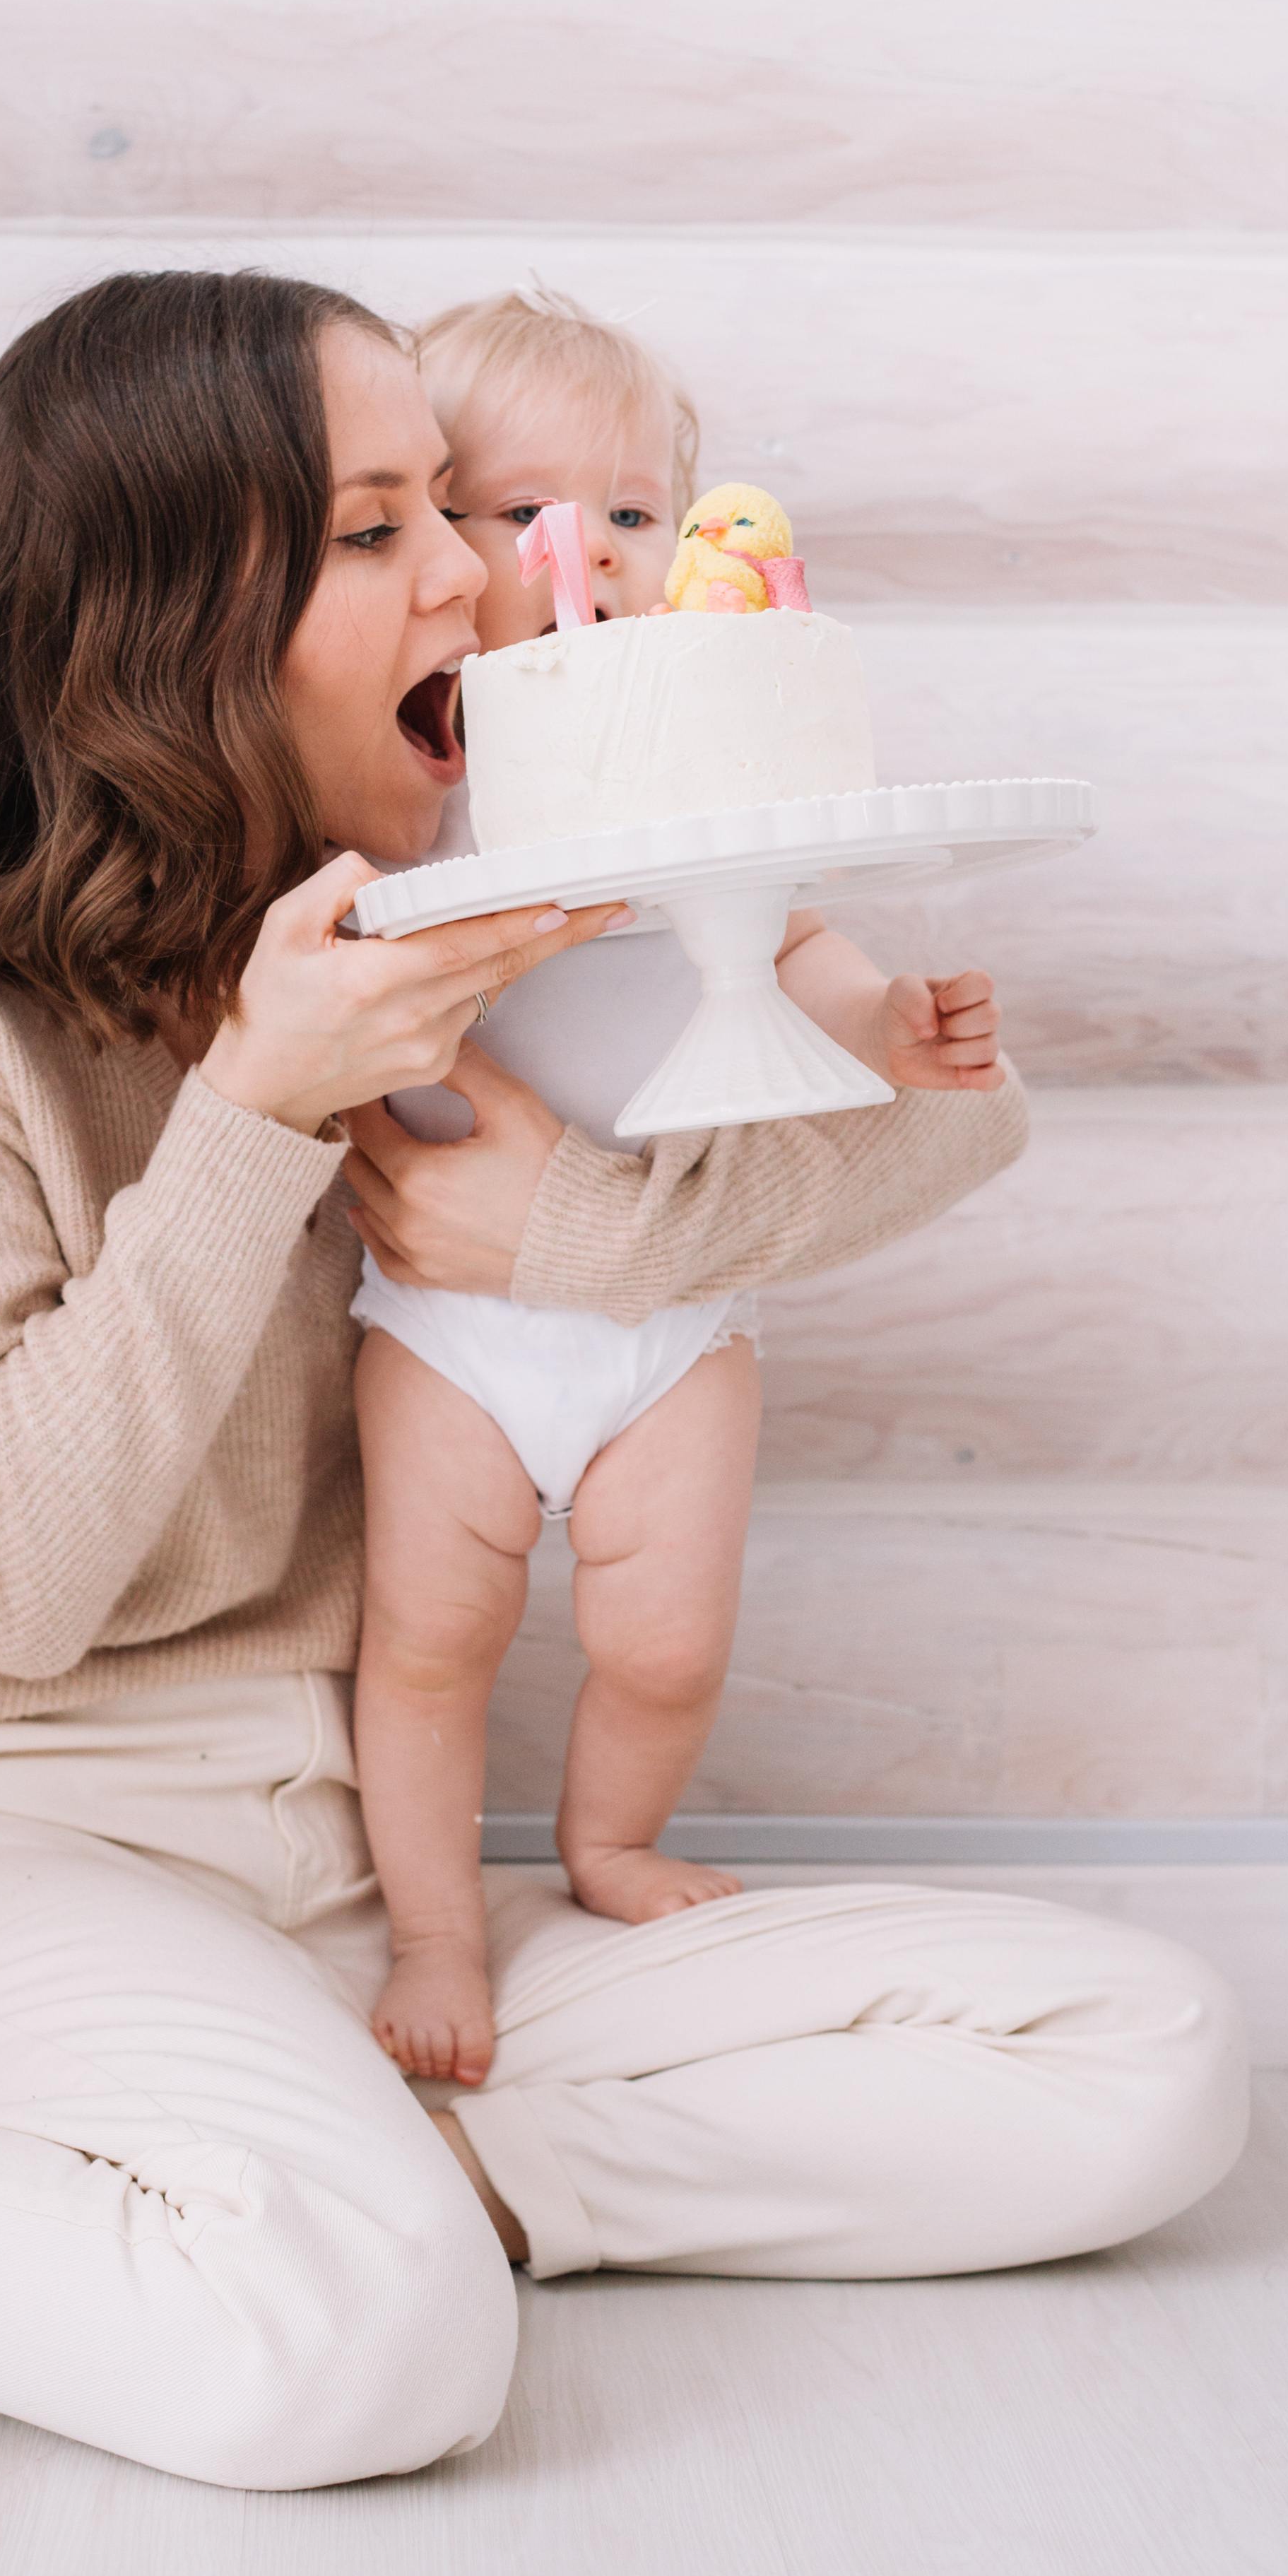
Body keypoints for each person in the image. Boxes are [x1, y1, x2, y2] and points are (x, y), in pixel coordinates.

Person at [0, 271, 1247, 2493]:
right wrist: (252, 1114)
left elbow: (952, 1124)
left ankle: (423, 2198)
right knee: (358, 2365)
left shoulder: (464, 873)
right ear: (179, 605)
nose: (489, 576)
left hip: (347, 1863)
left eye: (460, 512)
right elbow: (11, 1584)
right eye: (386, 527)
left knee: (1137, 2055)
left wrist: (563, 1236)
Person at [353, 290, 1009, 2088]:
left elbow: (786, 937)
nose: (589, 550)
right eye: (521, 513)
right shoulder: (421, 785)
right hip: (447, 1318)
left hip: (668, 1314)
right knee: (426, 1643)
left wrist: (891, 1023)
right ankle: (429, 1927)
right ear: (428, 540)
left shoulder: (707, 760)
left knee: (664, 1640)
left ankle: (608, 1844)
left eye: (636, 513)